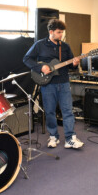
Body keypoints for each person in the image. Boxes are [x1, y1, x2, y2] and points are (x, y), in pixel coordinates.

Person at [23, 19, 84, 149]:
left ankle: (70, 138)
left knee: (67, 111)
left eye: (62, 32)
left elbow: (71, 67)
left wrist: (75, 64)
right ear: (51, 32)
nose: (61, 35)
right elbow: (26, 59)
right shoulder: (39, 45)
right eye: (58, 32)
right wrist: (40, 68)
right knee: (50, 111)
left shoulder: (65, 46)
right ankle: (53, 136)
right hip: (47, 84)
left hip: (63, 83)